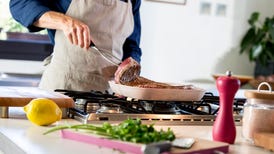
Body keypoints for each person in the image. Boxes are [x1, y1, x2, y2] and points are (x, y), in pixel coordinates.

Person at [9, 0, 142, 92]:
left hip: (109, 96)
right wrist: (64, 22)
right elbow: (20, 4)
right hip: (63, 88)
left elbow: (132, 45)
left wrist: (130, 66)